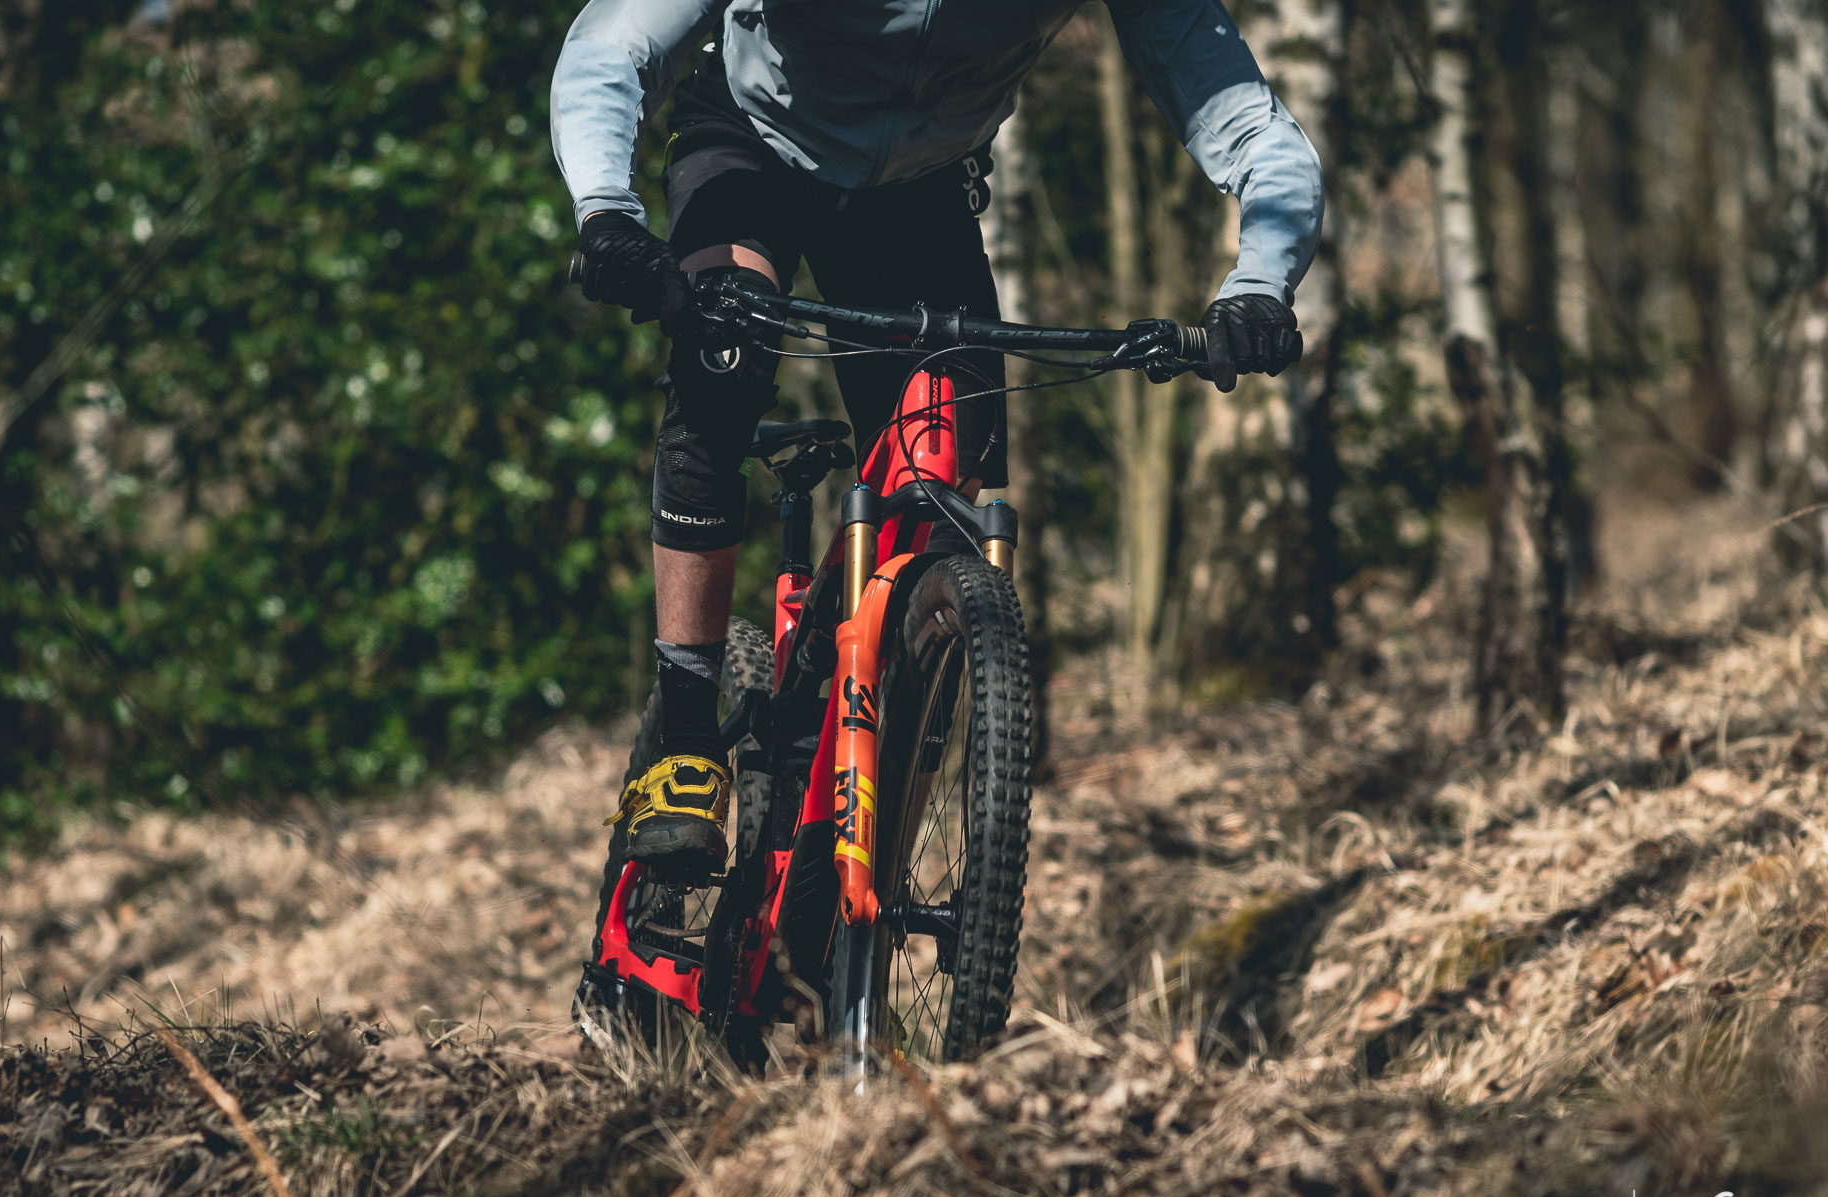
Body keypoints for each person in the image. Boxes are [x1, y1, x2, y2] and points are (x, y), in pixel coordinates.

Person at [552, 0, 1321, 881]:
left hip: (918, 188)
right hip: (750, 144)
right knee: (720, 363)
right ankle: (685, 740)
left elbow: (1250, 123)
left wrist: (1260, 285)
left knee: (947, 480)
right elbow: (612, 44)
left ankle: (858, 845)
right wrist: (606, 210)